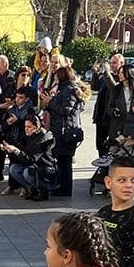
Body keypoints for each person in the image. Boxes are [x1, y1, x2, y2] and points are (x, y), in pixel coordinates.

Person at [46, 65, 89, 197]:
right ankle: (62, 186)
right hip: (63, 130)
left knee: (65, 161)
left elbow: (66, 110)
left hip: (66, 131)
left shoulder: (68, 90)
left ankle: (65, 189)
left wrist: (51, 102)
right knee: (62, 160)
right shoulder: (66, 89)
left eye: (56, 76)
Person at [4, 112, 55, 201]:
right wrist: (10, 150)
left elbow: (31, 160)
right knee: (14, 169)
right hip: (34, 166)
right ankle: (33, 189)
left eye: (29, 127)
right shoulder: (28, 135)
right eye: (25, 126)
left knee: (27, 172)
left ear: (37, 127)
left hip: (45, 169)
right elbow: (23, 152)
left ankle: (43, 190)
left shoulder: (42, 138)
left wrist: (16, 151)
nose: (26, 129)